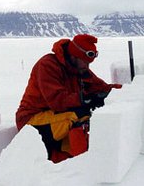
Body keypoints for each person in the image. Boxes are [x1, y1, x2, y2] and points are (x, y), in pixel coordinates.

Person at [15, 34, 122, 163]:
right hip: (31, 120)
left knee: (85, 116)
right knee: (78, 117)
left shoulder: (79, 69)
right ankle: (82, 163)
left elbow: (101, 87)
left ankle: (67, 160)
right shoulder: (47, 65)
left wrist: (123, 91)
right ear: (74, 55)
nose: (87, 66)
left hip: (56, 117)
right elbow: (57, 100)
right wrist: (86, 99)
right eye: (85, 62)